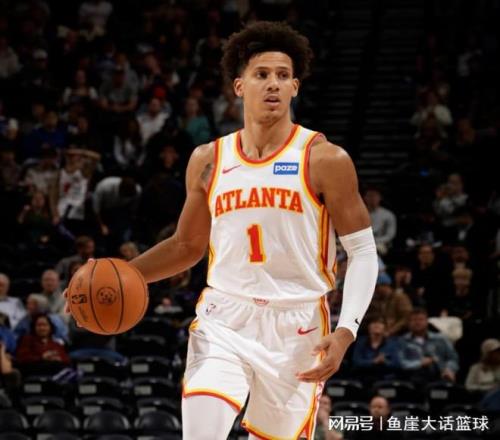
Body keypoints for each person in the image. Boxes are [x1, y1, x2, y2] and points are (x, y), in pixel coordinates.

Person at [67, 21, 378, 439]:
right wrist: (117, 277)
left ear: (295, 88)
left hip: (298, 325)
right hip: (224, 317)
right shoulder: (209, 159)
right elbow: (186, 245)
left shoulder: (325, 159)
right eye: (261, 74)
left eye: (283, 75)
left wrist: (346, 331)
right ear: (239, 86)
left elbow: (363, 252)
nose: (273, 84)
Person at [398, 308, 459, 384]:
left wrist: (449, 369)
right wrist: (419, 363)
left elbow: (452, 358)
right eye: (414, 320)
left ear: (427, 321)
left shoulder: (441, 339)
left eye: (421, 320)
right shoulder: (402, 341)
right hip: (411, 378)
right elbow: (399, 363)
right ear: (408, 323)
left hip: (439, 377)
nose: (417, 322)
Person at [363, 188, 397, 255]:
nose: (372, 198)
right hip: (362, 242)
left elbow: (390, 235)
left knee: (373, 249)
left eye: (375, 196)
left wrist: (374, 241)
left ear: (380, 197)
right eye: (369, 196)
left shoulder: (388, 215)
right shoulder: (359, 214)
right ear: (365, 198)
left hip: (380, 243)